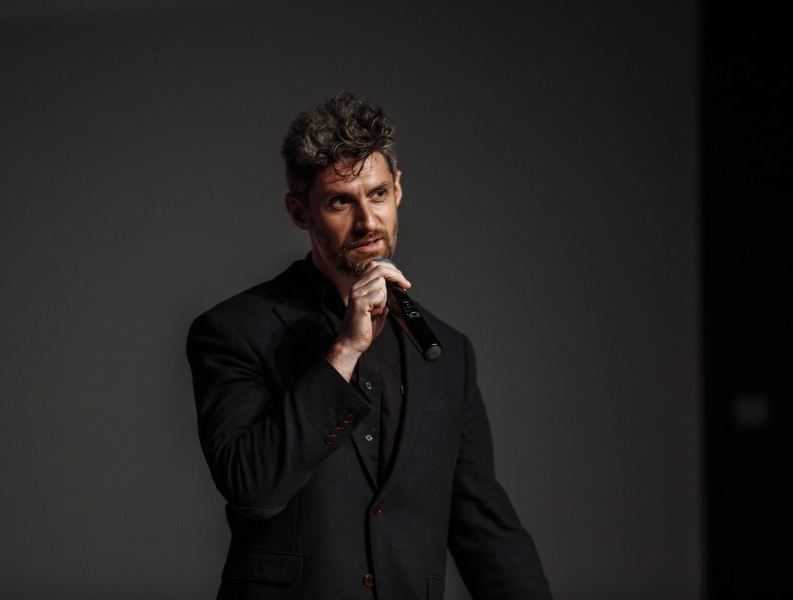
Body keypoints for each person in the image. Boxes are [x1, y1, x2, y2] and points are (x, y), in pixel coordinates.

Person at [186, 91, 552, 599]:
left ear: (398, 189)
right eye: (341, 201)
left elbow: (485, 526)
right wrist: (344, 351)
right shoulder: (233, 330)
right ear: (299, 212)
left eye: (377, 194)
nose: (367, 222)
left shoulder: (448, 351)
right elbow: (254, 487)